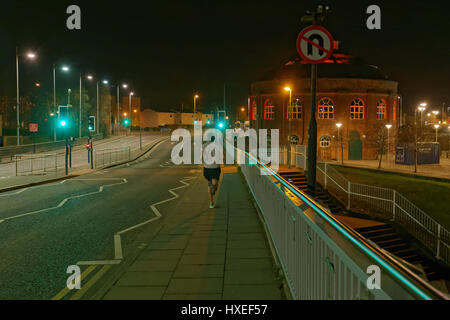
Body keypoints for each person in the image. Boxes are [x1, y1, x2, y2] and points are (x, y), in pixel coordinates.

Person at [203, 135, 221, 208]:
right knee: (214, 183)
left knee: (209, 184)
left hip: (206, 168)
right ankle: (214, 187)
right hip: (215, 167)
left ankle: (211, 203)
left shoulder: (204, 145)